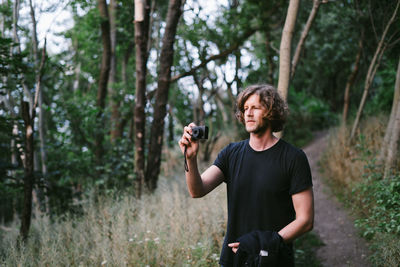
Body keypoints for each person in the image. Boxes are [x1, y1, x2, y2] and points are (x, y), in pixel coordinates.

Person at [178, 84, 314, 267]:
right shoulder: (230, 154)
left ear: (272, 112)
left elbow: (305, 220)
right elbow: (197, 190)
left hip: (274, 260)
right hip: (233, 260)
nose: (248, 113)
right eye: (245, 108)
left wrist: (262, 242)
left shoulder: (293, 158)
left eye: (256, 107)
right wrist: (190, 159)